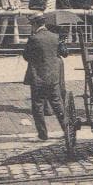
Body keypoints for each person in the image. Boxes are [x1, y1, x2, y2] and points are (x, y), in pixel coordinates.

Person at [23, 12, 68, 140]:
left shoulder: (34, 38)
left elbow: (26, 56)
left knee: (38, 105)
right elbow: (61, 52)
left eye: (32, 24)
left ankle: (43, 134)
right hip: (53, 76)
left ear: (35, 24)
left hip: (38, 77)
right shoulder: (55, 36)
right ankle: (66, 129)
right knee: (57, 103)